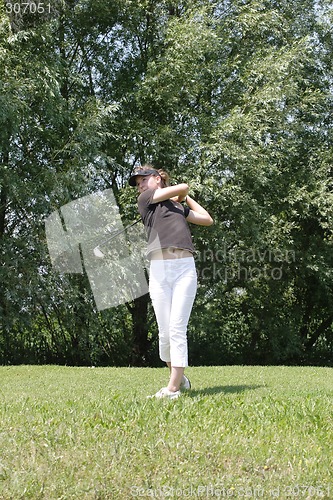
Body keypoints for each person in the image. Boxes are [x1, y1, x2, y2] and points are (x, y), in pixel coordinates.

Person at [129, 165, 213, 399]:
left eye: (144, 180)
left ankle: (173, 388)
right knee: (165, 334)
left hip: (184, 268)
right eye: (138, 183)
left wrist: (183, 200)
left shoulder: (177, 207)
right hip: (159, 270)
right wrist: (181, 193)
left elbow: (207, 219)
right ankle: (181, 379)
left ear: (157, 178)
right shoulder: (146, 200)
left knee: (177, 328)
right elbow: (183, 186)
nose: (141, 186)